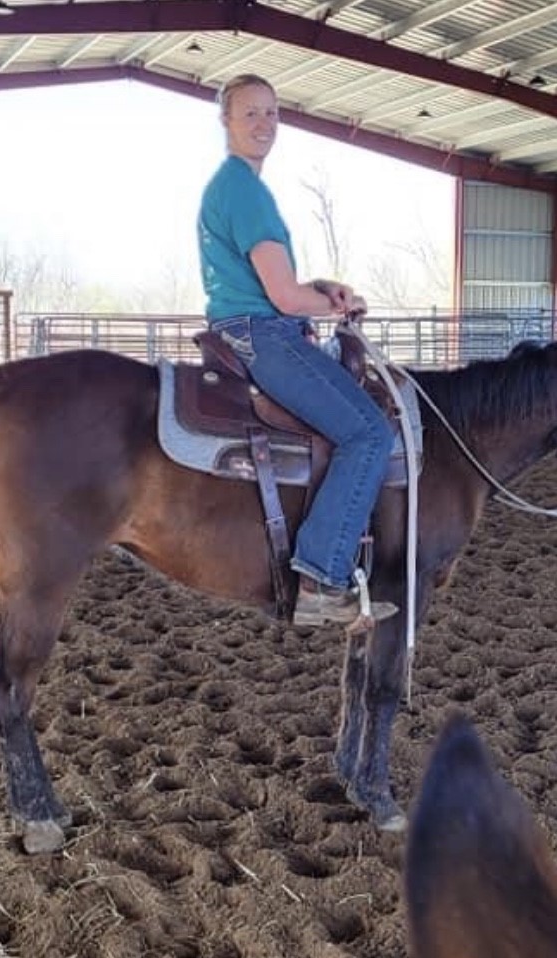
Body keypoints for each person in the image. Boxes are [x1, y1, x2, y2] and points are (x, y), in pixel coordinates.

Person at [197, 73, 398, 628]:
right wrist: (339, 304)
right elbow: (283, 296)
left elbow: (278, 285)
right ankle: (319, 577)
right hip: (262, 333)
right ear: (226, 121)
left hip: (255, 323)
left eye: (271, 113)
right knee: (369, 433)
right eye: (251, 114)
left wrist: (321, 287)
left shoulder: (239, 187)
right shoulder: (244, 191)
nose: (264, 124)